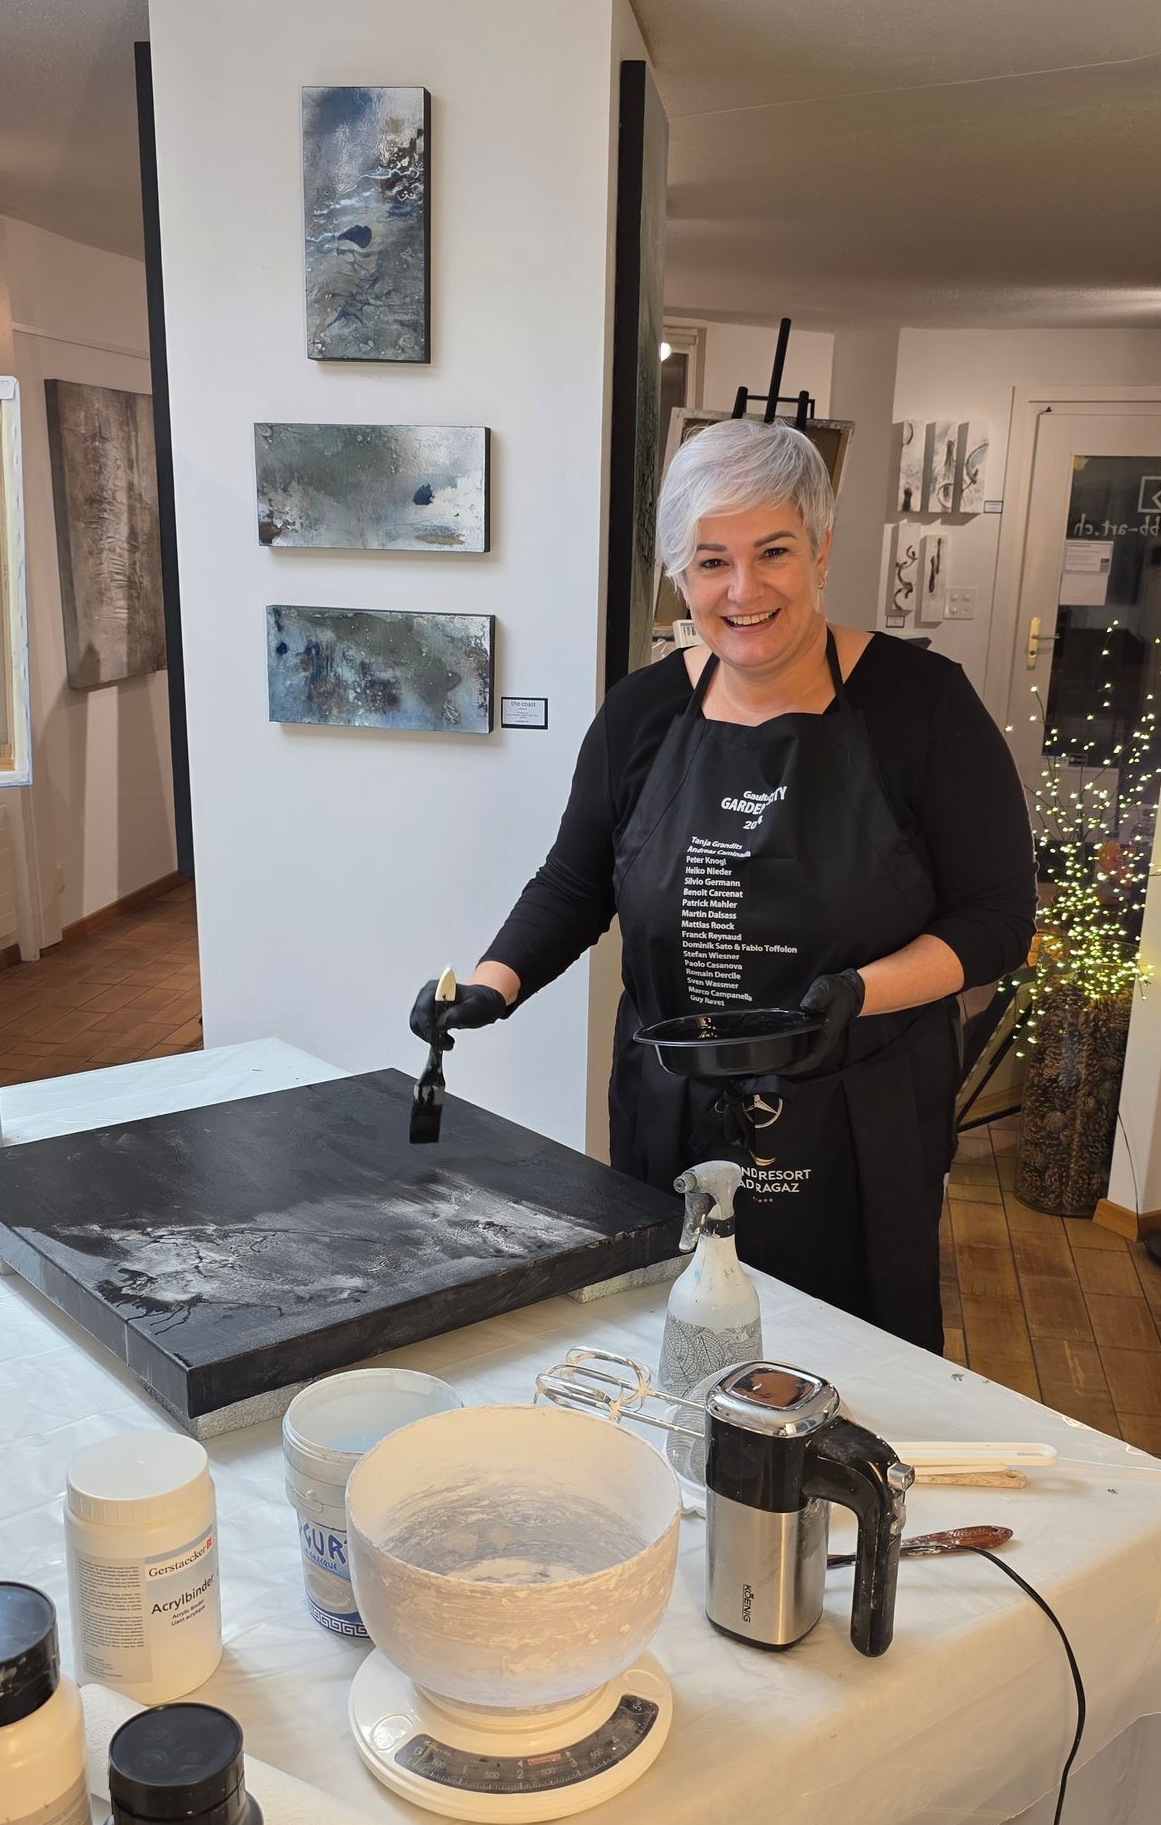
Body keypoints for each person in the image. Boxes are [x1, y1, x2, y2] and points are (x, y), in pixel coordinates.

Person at [411, 419, 1034, 1350]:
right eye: (711, 562)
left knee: (847, 1358)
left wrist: (859, 992)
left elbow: (997, 918)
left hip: (859, 1119)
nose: (743, 590)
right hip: (674, 1108)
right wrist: (490, 987)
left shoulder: (923, 705)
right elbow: (577, 881)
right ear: (680, 576)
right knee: (672, 1340)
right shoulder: (643, 711)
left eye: (773, 551)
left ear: (821, 552)